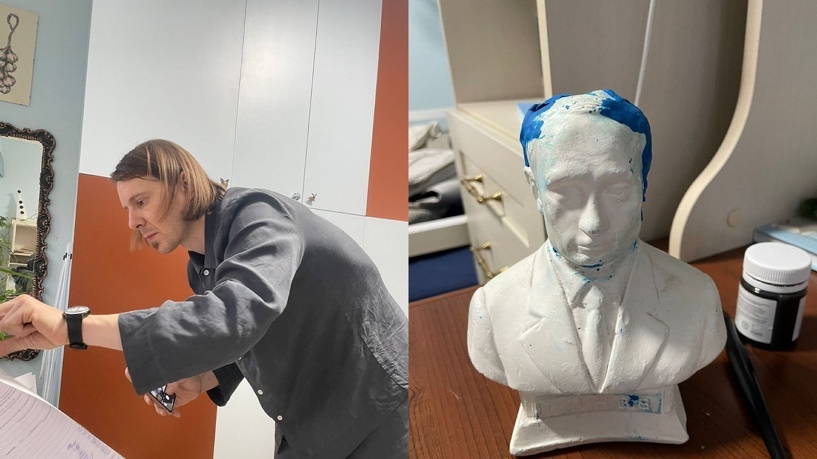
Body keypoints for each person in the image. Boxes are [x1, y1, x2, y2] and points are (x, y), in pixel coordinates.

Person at [0, 139, 408, 458]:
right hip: (308, 423)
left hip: (375, 405)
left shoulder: (259, 215)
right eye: (127, 208)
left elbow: (237, 314)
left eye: (141, 201)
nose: (132, 221)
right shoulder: (200, 269)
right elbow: (250, 335)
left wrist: (70, 327)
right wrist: (205, 377)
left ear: (183, 183)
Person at [466, 90, 726, 454]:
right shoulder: (492, 309)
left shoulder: (697, 297)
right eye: (566, 191)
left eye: (617, 190)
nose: (594, 223)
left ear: (643, 186)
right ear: (534, 189)